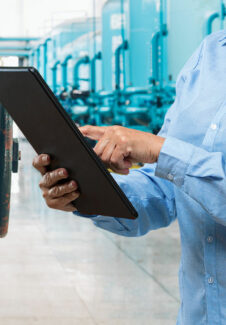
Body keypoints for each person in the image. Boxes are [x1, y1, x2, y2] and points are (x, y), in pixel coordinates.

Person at [33, 31, 226, 324]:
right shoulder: (209, 54)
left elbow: (169, 158)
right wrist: (83, 189)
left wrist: (162, 150)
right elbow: (165, 190)